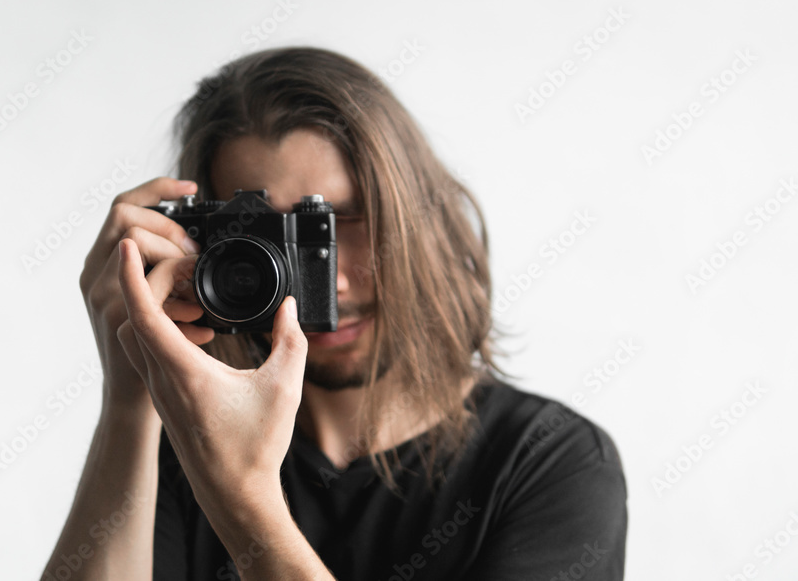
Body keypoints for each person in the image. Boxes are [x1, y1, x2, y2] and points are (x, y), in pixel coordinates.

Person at [43, 47, 627, 580]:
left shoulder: (550, 463)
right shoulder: (178, 452)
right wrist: (130, 398)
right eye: (269, 239)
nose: (334, 279)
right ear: (204, 246)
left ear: (421, 221)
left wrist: (246, 500)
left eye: (341, 222)